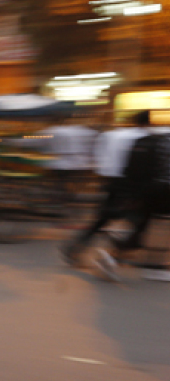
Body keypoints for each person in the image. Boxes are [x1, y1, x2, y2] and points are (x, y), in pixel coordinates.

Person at [61, 110, 151, 263]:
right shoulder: (146, 138)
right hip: (134, 183)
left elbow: (99, 157)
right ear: (147, 123)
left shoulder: (113, 135)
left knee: (104, 217)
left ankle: (76, 246)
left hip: (111, 180)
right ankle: (121, 250)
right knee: (140, 217)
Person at [95, 124, 170, 281]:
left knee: (143, 225)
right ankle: (153, 265)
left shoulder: (154, 138)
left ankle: (114, 254)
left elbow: (134, 167)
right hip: (165, 190)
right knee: (159, 228)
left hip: (149, 189)